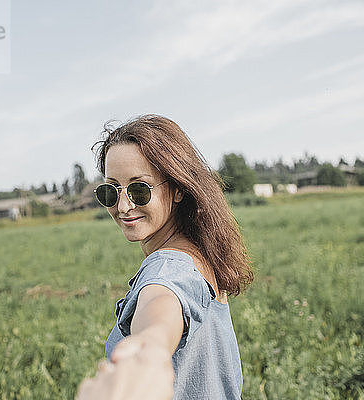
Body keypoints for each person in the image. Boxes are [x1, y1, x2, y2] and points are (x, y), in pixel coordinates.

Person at [78, 115, 254, 399]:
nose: (123, 206)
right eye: (111, 190)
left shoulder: (169, 268)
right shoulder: (199, 253)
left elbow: (161, 304)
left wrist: (147, 355)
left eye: (139, 189)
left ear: (178, 190)